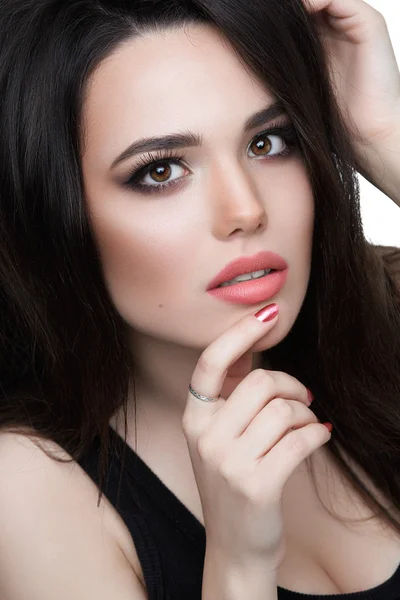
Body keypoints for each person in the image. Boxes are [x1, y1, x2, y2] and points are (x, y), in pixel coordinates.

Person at [0, 0, 399, 598]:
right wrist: (238, 566)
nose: (246, 210)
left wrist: (383, 137)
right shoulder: (27, 488)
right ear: (52, 213)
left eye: (268, 142)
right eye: (160, 171)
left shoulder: (386, 305)